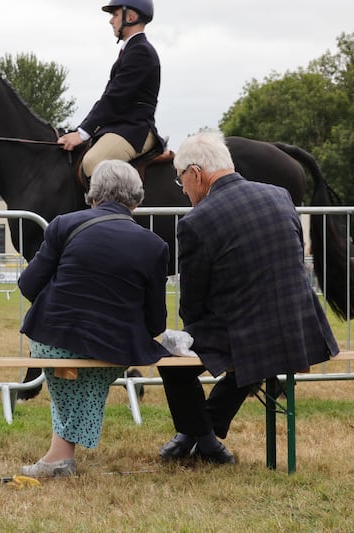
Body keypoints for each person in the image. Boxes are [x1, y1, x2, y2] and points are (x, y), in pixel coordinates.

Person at [158, 130, 339, 465]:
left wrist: (187, 333)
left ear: (196, 174)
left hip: (249, 334)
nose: (182, 189)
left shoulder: (197, 221)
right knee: (251, 356)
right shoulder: (280, 195)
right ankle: (203, 435)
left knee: (170, 360)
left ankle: (206, 440)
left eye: (181, 179)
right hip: (300, 327)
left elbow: (193, 302)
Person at [18, 159, 169, 478]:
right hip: (115, 347)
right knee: (87, 369)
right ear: (137, 200)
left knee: (67, 363)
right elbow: (156, 323)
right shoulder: (155, 245)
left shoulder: (64, 225)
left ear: (93, 194)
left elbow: (28, 284)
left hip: (54, 339)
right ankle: (58, 458)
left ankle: (58, 459)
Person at [58, 0, 165, 184]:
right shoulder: (130, 50)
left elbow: (114, 98)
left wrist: (83, 133)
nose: (111, 21)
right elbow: (108, 98)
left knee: (92, 162)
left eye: (115, 15)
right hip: (121, 127)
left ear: (131, 17)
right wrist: (80, 129)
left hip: (135, 129)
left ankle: (111, 213)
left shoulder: (140, 51)